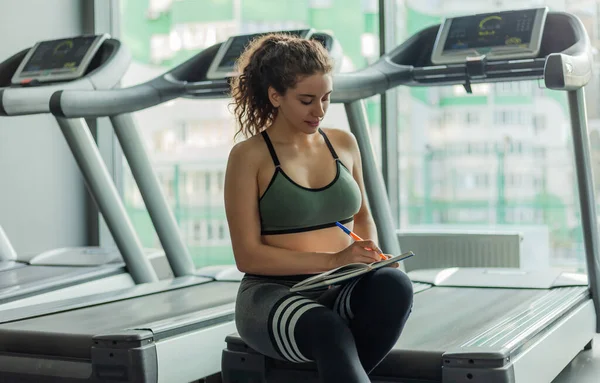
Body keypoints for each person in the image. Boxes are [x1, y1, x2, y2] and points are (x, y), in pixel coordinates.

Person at [224, 33, 413, 383]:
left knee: (395, 285)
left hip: (340, 284)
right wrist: (333, 260)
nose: (320, 110)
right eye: (307, 100)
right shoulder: (248, 156)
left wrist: (367, 257)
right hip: (275, 293)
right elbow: (247, 256)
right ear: (275, 96)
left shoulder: (343, 142)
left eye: (327, 98)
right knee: (327, 330)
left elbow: (363, 218)